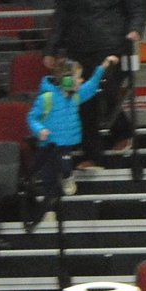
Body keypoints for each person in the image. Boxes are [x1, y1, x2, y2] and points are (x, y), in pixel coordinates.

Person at [42, 0, 145, 169]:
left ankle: (122, 132)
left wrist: (135, 29)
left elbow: (137, 6)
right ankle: (93, 155)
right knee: (82, 101)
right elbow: (61, 18)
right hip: (79, 49)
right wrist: (51, 49)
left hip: (111, 46)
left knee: (107, 88)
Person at [25, 56, 117, 228]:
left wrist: (102, 68)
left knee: (65, 163)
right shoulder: (47, 98)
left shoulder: (75, 96)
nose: (81, 80)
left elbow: (90, 86)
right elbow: (32, 117)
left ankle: (68, 176)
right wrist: (39, 130)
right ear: (66, 80)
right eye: (77, 77)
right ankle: (48, 211)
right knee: (49, 182)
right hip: (47, 146)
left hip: (64, 145)